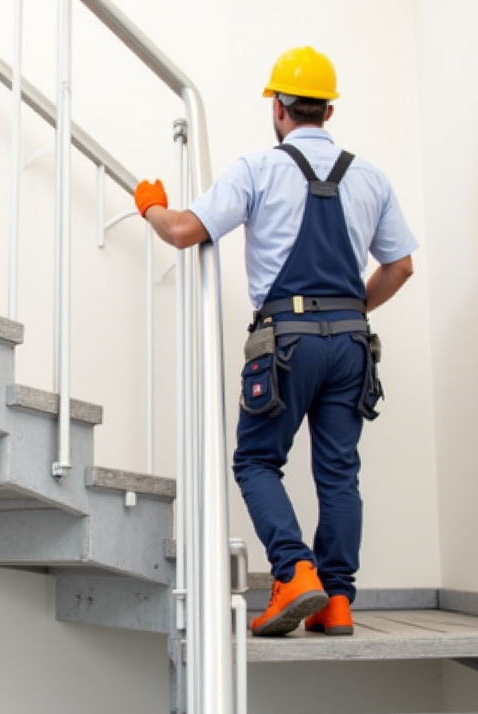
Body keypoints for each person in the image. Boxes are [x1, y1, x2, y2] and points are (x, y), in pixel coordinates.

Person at [133, 46, 418, 637]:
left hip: (286, 340)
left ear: (279, 109)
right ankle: (337, 601)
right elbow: (401, 267)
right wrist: (349, 310)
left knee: (257, 459)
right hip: (350, 342)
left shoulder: (258, 169)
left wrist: (154, 208)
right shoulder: (371, 176)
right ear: (329, 109)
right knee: (339, 473)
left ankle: (294, 572)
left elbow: (185, 232)